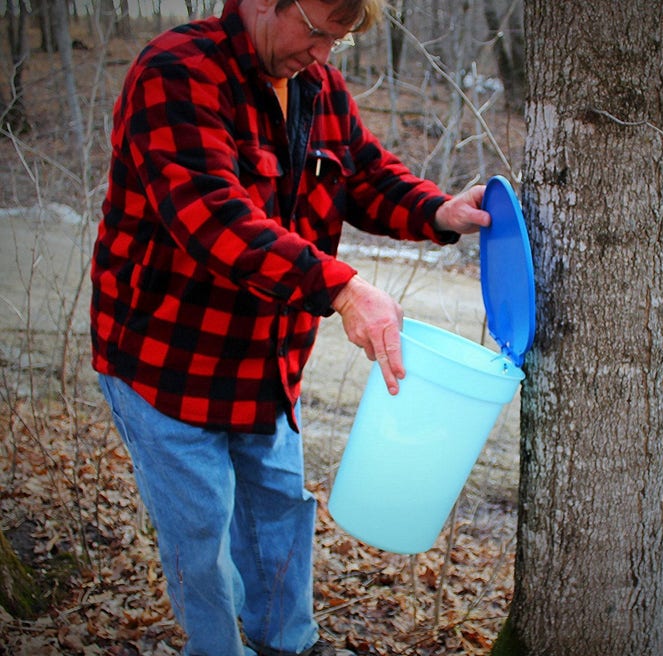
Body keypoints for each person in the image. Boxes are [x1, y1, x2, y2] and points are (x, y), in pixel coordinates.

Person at [90, 1, 490, 654]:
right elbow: (212, 217)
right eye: (315, 32)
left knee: (279, 512)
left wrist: (439, 211)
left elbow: (366, 175)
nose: (323, 55)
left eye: (338, 40)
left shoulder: (315, 85)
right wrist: (343, 288)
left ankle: (288, 644)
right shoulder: (177, 72)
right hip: (168, 365)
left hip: (268, 366)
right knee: (200, 540)